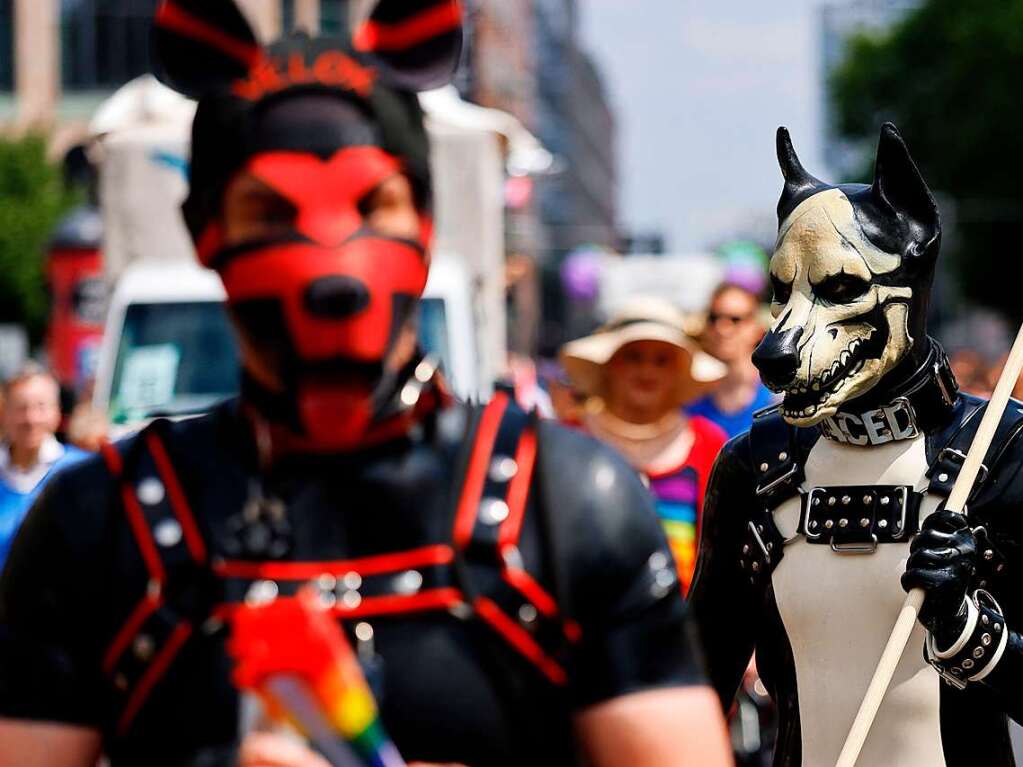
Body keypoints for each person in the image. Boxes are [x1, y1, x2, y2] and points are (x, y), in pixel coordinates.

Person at [0, 3, 732, 766]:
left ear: (422, 221)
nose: (330, 257)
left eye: (371, 204)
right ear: (205, 232)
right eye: (271, 211)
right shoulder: (100, 522)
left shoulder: (567, 503)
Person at [691, 124, 1023, 765]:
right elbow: (691, 693)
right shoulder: (756, 466)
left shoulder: (1004, 452)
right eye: (783, 291)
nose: (777, 343)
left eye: (840, 288)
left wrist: (971, 630)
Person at [560, 299, 728, 594]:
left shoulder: (708, 443)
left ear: (678, 371)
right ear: (609, 364)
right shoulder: (569, 440)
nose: (647, 371)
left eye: (661, 360)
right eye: (634, 357)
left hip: (681, 626)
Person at [0, 364, 86, 570]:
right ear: (4, 413)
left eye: (41, 406)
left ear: (57, 412)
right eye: (21, 408)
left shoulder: (82, 470)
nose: (31, 418)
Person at [687, 282, 776, 439]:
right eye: (714, 318)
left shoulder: (778, 401)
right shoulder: (688, 400)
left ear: (757, 329)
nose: (722, 328)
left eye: (735, 319)